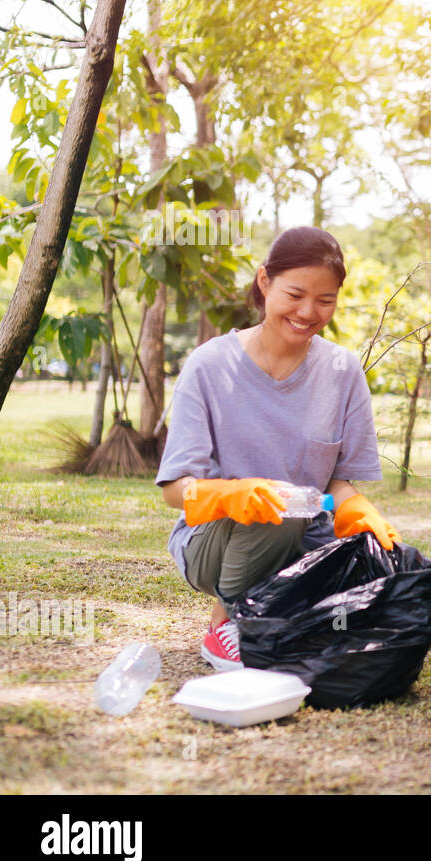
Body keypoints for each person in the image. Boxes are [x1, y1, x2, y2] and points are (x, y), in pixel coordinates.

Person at [155, 226, 400, 671]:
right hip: (218, 545)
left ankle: (281, 616)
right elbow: (175, 487)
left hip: (306, 546)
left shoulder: (343, 372)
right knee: (281, 509)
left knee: (364, 618)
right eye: (295, 294)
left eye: (325, 300)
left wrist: (356, 509)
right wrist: (226, 494)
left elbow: (335, 484)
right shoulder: (210, 365)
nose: (308, 312)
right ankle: (227, 625)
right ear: (265, 281)